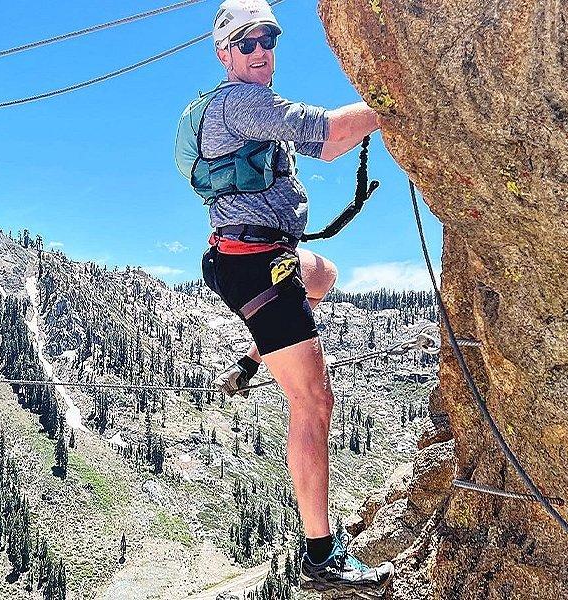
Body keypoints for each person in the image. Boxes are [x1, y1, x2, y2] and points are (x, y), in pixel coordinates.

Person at [174, 0, 393, 595]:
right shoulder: (241, 102)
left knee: (321, 272)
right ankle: (321, 553)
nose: (261, 50)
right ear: (225, 53)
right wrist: (397, 105)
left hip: (245, 257)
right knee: (313, 401)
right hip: (255, 267)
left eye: (268, 38)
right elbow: (326, 137)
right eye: (246, 43)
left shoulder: (227, 106)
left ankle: (252, 359)